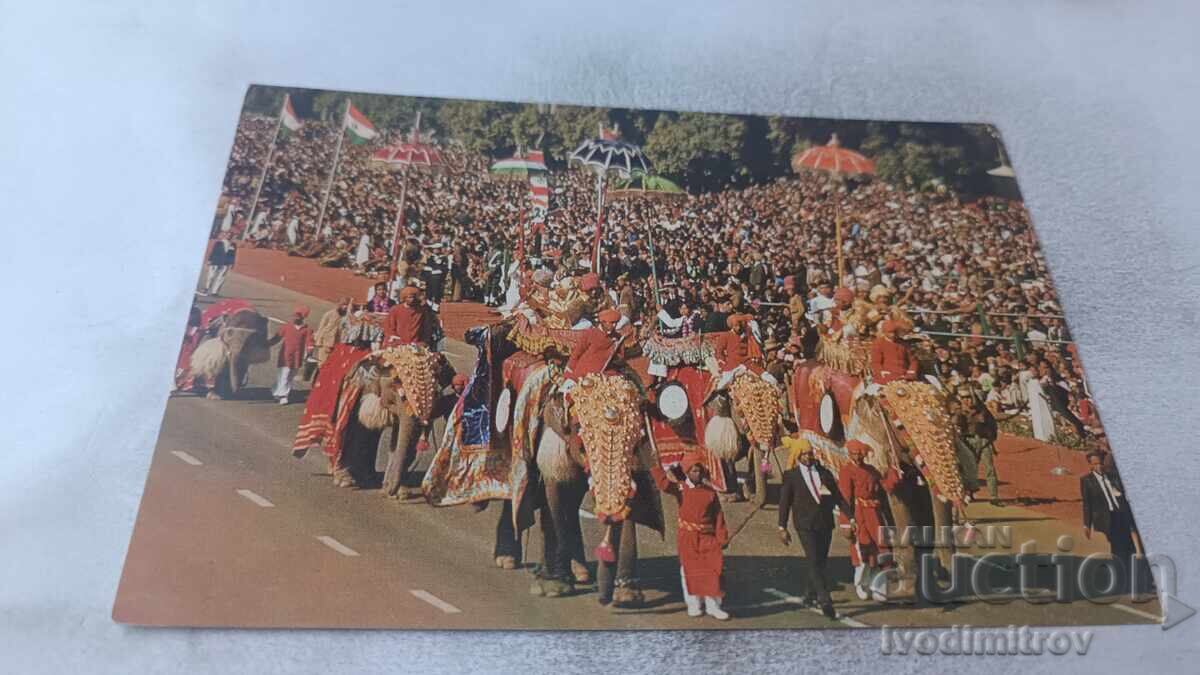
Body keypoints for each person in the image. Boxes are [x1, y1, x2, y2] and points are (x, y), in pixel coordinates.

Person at [650, 452, 730, 620]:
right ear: (687, 472)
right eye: (693, 471)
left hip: (708, 537)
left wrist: (722, 536)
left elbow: (718, 515)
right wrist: (655, 465)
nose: (697, 474)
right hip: (688, 536)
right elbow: (664, 485)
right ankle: (694, 605)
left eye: (699, 470)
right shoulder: (680, 489)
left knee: (712, 569)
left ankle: (713, 606)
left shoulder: (710, 492)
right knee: (690, 571)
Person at [777, 436, 850, 619]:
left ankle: (809, 594)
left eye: (810, 454)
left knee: (820, 561)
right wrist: (782, 527)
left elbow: (838, 497)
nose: (808, 457)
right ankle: (825, 600)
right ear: (798, 455)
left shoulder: (824, 473)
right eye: (804, 454)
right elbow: (784, 503)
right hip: (804, 524)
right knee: (813, 559)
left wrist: (850, 517)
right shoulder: (791, 476)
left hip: (824, 523)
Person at [837, 440, 898, 601]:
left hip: (876, 516)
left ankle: (879, 587)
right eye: (854, 454)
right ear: (849, 454)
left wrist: (893, 473)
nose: (857, 457)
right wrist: (845, 522)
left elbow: (884, 490)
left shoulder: (871, 470)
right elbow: (844, 497)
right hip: (859, 515)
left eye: (860, 454)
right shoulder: (846, 471)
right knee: (863, 551)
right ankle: (861, 584)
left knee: (881, 550)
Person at [1080, 451, 1136, 560]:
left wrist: (1119, 494)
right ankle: (1120, 567)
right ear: (1090, 465)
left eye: (1100, 463)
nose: (1099, 466)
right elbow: (1087, 504)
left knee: (1129, 545)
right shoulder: (1087, 481)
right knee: (1117, 545)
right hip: (1107, 517)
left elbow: (1124, 493)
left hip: (1121, 513)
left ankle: (1130, 568)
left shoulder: (1113, 476)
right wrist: (1086, 524)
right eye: (1095, 464)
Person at [269, 305, 314, 405]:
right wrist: (267, 344)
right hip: (285, 356)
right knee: (285, 374)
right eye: (294, 316)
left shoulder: (307, 330)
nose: (295, 318)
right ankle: (283, 396)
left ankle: (275, 390)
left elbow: (309, 342)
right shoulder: (286, 327)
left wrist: (310, 352)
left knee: (289, 376)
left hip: (297, 357)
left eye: (297, 317)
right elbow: (277, 338)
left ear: (302, 318)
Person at [869, 320, 917, 385]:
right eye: (890, 332)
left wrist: (911, 372)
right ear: (884, 332)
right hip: (887, 377)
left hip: (905, 377)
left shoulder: (904, 344)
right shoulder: (878, 343)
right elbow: (875, 362)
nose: (893, 334)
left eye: (894, 332)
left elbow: (913, 360)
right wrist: (881, 372)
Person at [313, 297, 348, 369]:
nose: (345, 307)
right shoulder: (328, 314)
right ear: (338, 304)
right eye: (343, 304)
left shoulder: (346, 317)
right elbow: (321, 327)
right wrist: (318, 341)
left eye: (346, 305)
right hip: (325, 343)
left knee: (331, 366)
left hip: (336, 345)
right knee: (322, 364)